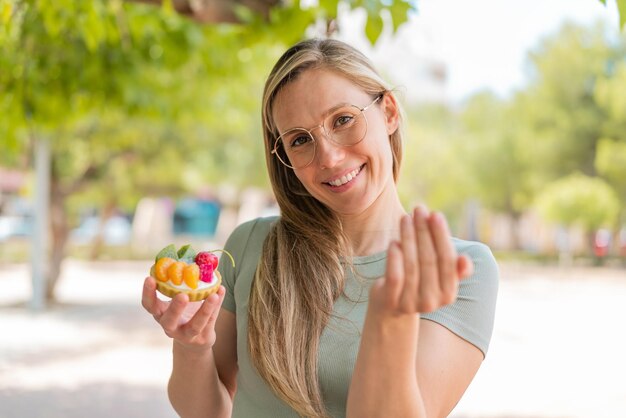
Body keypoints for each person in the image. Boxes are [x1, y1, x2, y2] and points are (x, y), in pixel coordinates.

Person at [142, 38, 499, 418]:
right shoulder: (251, 244)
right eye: (299, 140)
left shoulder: (462, 269)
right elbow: (207, 412)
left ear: (389, 112)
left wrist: (389, 317)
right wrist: (192, 347)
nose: (329, 157)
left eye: (343, 119)